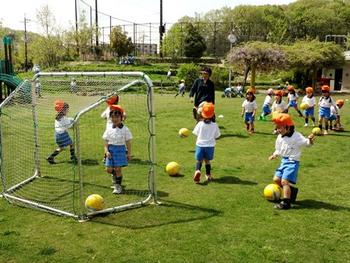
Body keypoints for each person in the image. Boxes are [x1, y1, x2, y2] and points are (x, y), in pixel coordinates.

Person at [268, 113, 315, 209]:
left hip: (292, 162)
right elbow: (278, 149)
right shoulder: (280, 137)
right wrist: (274, 154)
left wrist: (310, 140)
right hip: (283, 161)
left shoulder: (297, 136)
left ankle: (286, 203)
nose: (277, 130)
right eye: (277, 128)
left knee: (284, 181)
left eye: (279, 128)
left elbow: (307, 144)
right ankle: (291, 192)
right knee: (276, 180)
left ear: (288, 127)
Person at [103, 105, 132, 194]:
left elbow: (128, 142)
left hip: (120, 150)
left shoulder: (125, 129)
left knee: (118, 169)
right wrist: (106, 151)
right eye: (113, 117)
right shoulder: (108, 129)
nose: (115, 119)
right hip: (111, 150)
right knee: (109, 169)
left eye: (117, 117)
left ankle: (118, 186)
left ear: (121, 118)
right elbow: (106, 142)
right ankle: (115, 176)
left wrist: (129, 153)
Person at [192, 102, 220, 184]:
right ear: (213, 115)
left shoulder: (200, 124)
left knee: (199, 160)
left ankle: (197, 171)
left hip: (200, 145)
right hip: (210, 146)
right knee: (207, 161)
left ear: (202, 114)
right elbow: (217, 136)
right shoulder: (215, 125)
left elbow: (195, 133)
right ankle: (208, 175)